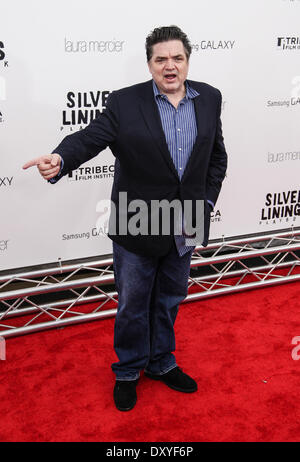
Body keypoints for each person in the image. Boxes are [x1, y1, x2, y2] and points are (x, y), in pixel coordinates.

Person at [23, 25, 227, 411]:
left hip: (186, 221)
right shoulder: (125, 103)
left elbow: (217, 156)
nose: (170, 67)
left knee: (169, 298)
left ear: (187, 60)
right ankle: (129, 370)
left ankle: (162, 362)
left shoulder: (210, 98)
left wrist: (206, 204)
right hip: (138, 219)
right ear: (149, 63)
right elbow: (89, 138)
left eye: (177, 58)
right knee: (133, 302)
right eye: (161, 59)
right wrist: (61, 158)